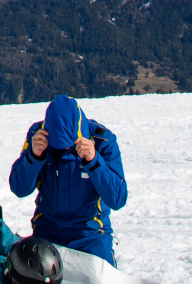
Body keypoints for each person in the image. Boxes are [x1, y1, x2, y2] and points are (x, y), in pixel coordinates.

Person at [8, 95, 128, 266]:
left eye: (68, 144)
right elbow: (19, 188)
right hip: (47, 231)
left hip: (90, 234)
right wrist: (34, 157)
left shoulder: (103, 142)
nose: (63, 149)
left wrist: (94, 161)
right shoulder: (37, 136)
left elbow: (118, 199)